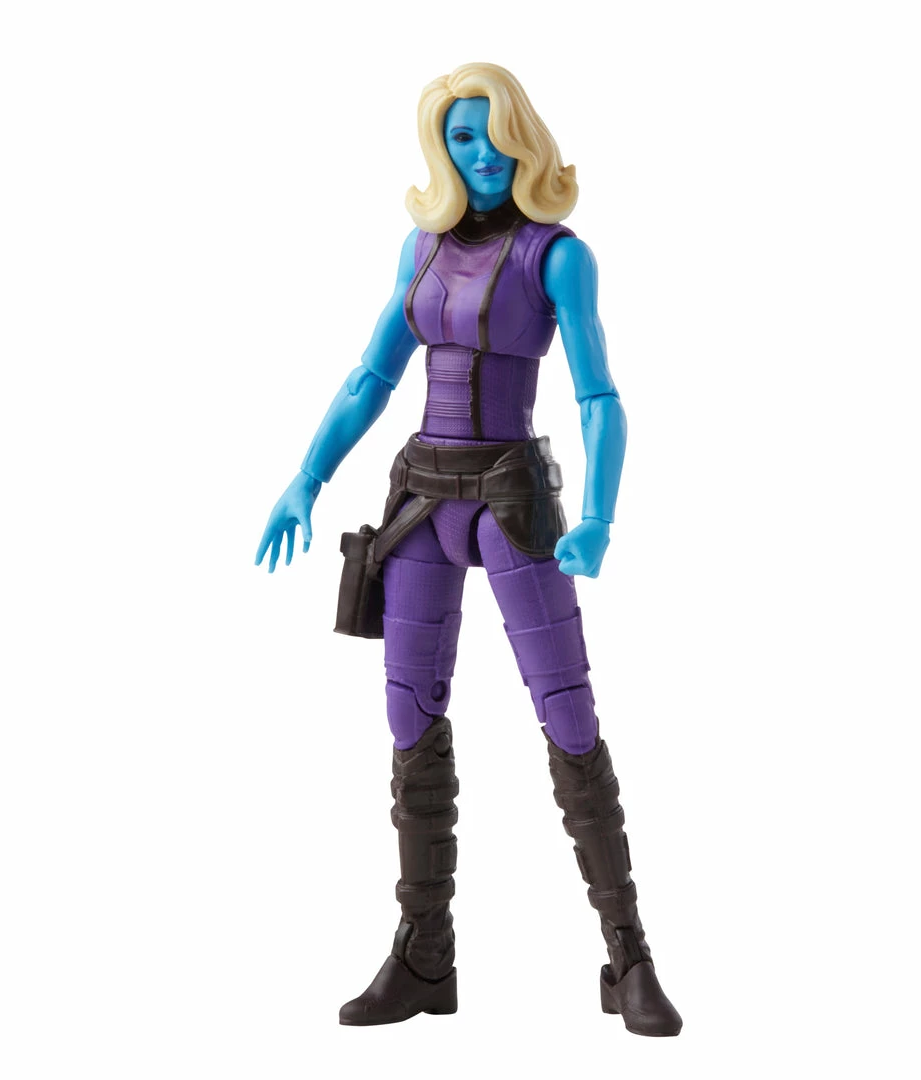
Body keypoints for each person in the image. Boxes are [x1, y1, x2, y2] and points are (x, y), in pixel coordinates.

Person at [255, 62, 681, 1037]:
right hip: (420, 500)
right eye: (460, 137)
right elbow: (370, 376)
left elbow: (600, 397)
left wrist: (600, 517)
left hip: (511, 497)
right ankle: (423, 956)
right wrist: (306, 476)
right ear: (438, 148)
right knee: (410, 719)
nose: (480, 153)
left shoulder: (556, 256)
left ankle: (628, 956)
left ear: (522, 137)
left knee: (567, 712)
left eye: (494, 135)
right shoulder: (421, 249)